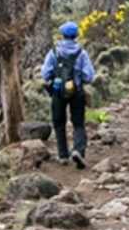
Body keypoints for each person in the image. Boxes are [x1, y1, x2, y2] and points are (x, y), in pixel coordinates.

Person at [41, 21, 96, 168]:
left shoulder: (54, 52)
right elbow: (89, 76)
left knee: (59, 123)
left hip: (58, 91)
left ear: (62, 35)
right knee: (78, 123)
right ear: (76, 35)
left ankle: (63, 155)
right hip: (76, 91)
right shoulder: (82, 53)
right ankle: (78, 150)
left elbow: (45, 74)